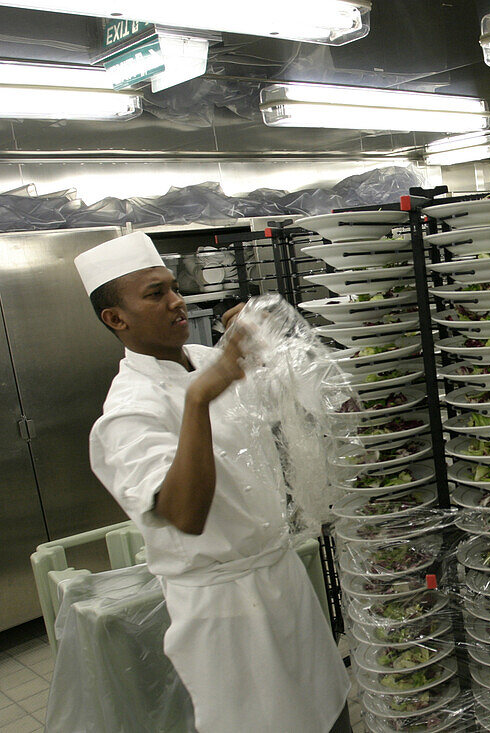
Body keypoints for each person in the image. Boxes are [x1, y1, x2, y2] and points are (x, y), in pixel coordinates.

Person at [75, 232, 351, 733]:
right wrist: (198, 401)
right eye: (155, 294)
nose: (177, 301)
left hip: (280, 577)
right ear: (116, 319)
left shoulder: (206, 361)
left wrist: (273, 344)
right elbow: (184, 515)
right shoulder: (128, 413)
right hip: (224, 611)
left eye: (173, 287)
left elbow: (313, 402)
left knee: (329, 709)